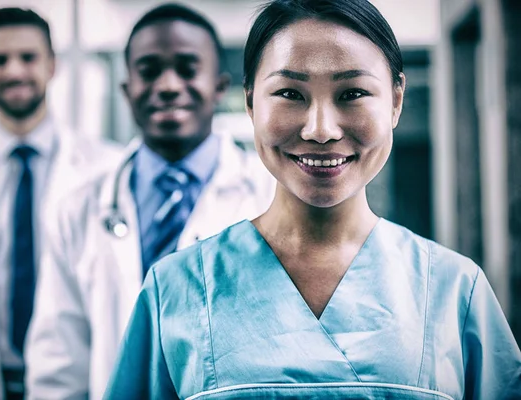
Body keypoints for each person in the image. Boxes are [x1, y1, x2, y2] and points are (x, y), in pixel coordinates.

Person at [104, 0, 521, 399]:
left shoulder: (455, 290)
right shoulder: (175, 289)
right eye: (290, 93)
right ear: (250, 102)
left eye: (352, 93)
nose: (320, 130)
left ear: (395, 101)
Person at [24, 3, 275, 399]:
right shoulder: (77, 209)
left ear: (220, 87)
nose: (169, 85)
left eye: (188, 68)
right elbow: (58, 365)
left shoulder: (269, 196)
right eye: (149, 70)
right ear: (127, 90)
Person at [0, 8, 122, 400]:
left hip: (83, 386)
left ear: (52, 65)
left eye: (28, 57)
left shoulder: (108, 171)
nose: (14, 71)